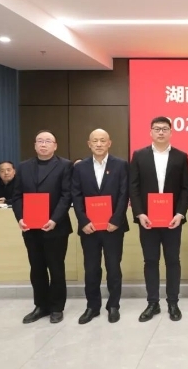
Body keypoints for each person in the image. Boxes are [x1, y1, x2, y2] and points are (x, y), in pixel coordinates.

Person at [129, 116, 188, 322]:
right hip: (148, 220)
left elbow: (185, 188)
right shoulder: (139, 156)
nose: (161, 132)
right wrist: (140, 213)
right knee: (150, 261)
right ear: (151, 132)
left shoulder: (181, 157)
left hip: (173, 220)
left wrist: (180, 214)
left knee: (173, 260)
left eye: (165, 129)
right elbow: (133, 187)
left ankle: (173, 302)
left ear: (171, 132)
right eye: (157, 129)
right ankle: (152, 303)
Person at [12, 130, 73, 324]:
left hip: (56, 227)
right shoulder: (23, 167)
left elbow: (66, 195)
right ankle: (41, 306)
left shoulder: (65, 165)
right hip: (30, 228)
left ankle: (56, 307)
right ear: (35, 145)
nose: (43, 144)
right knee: (36, 268)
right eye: (40, 141)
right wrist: (20, 218)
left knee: (56, 268)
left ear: (55, 146)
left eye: (48, 141)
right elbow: (16, 196)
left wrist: (54, 219)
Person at [71, 129, 129, 324]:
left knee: (113, 268)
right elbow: (76, 195)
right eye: (95, 141)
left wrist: (116, 219)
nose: (99, 144)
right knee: (91, 268)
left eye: (102, 140)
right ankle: (92, 307)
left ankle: (113, 306)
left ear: (109, 143)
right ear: (89, 144)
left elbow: (124, 194)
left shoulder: (120, 165)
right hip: (89, 228)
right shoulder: (80, 167)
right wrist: (83, 221)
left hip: (113, 227)